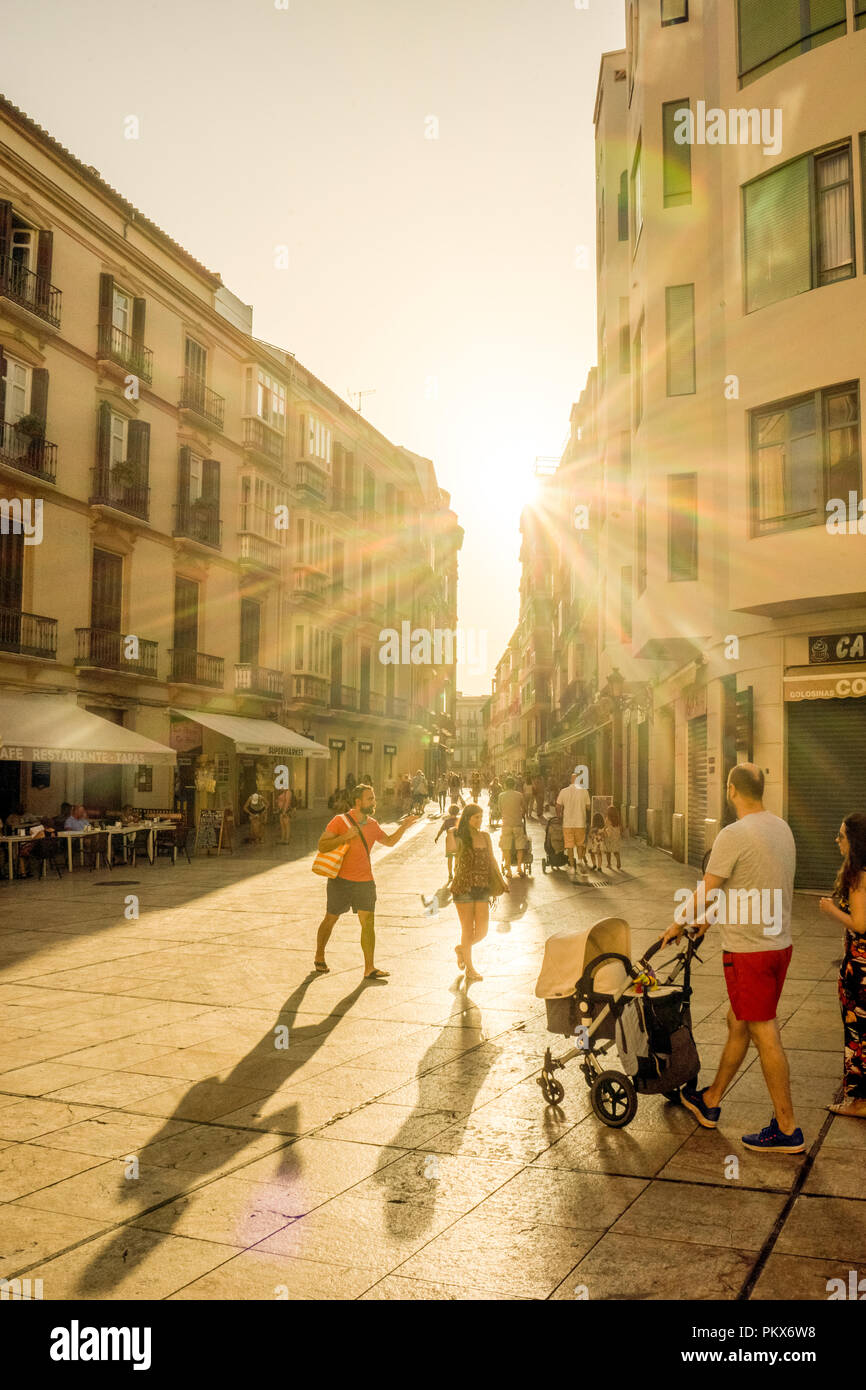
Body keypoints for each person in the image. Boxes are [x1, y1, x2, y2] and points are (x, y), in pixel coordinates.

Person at [661, 763, 804, 1154]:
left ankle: (788, 1127)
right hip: (779, 947)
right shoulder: (782, 828)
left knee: (763, 1031)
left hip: (750, 953)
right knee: (737, 1021)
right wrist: (708, 921)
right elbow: (752, 887)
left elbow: (710, 890)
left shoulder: (733, 834)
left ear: (730, 789)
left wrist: (679, 922)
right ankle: (710, 1100)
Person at [314, 783, 419, 980]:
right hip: (341, 881)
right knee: (331, 919)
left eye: (373, 798)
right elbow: (322, 845)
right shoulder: (340, 821)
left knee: (368, 923)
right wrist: (345, 836)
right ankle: (319, 954)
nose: (374, 802)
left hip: (365, 882)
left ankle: (369, 968)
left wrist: (404, 826)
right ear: (358, 801)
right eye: (370, 798)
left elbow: (388, 841)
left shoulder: (372, 824)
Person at [818, 812, 866, 1118]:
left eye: (841, 836)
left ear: (854, 841)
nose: (837, 841)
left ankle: (859, 1102)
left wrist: (831, 910)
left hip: (858, 971)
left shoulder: (858, 876)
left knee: (856, 1036)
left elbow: (860, 923)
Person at [450, 802, 508, 981]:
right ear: (467, 818)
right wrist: (452, 836)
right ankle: (470, 969)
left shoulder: (485, 836)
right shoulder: (458, 836)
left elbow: (491, 859)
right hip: (463, 887)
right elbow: (451, 852)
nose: (480, 821)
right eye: (476, 817)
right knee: (467, 930)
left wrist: (501, 879)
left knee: (482, 931)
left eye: (481, 817)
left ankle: (462, 949)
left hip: (482, 886)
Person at [556, 769, 591, 880]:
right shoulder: (584, 791)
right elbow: (588, 807)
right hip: (580, 822)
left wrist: (559, 815)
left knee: (569, 845)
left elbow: (558, 806)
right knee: (580, 844)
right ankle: (580, 860)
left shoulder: (563, 791)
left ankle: (572, 866)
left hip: (568, 823)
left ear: (570, 780)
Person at [499, 775, 528, 879]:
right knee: (519, 845)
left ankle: (509, 870)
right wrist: (521, 814)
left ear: (505, 785)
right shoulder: (519, 795)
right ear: (515, 785)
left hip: (506, 824)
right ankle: (519, 867)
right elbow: (524, 808)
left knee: (505, 847)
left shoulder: (501, 795)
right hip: (517, 823)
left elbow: (500, 809)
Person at [435, 802, 460, 881]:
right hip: (458, 840)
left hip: (449, 840)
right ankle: (456, 872)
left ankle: (450, 874)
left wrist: (437, 837)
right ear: (457, 812)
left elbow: (441, 830)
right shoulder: (459, 820)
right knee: (457, 857)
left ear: (449, 811)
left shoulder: (447, 821)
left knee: (450, 858)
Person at [604, 805, 623, 871]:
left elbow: (605, 827)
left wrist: (603, 831)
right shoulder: (618, 819)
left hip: (609, 837)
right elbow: (620, 827)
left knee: (608, 851)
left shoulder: (608, 819)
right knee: (616, 850)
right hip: (616, 836)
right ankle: (618, 861)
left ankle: (609, 864)